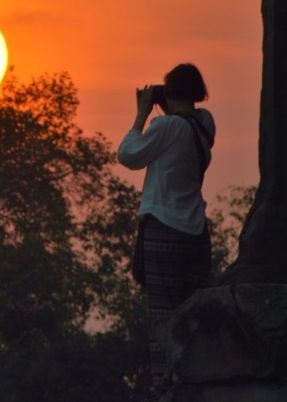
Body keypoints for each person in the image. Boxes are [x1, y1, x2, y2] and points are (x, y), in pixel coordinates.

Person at [117, 63, 215, 396]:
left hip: (163, 230)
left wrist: (142, 114)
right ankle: (196, 380)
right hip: (196, 233)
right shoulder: (205, 125)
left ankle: (166, 389)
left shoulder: (165, 126)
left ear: (169, 93)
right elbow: (185, 122)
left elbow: (128, 155)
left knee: (162, 315)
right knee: (192, 314)